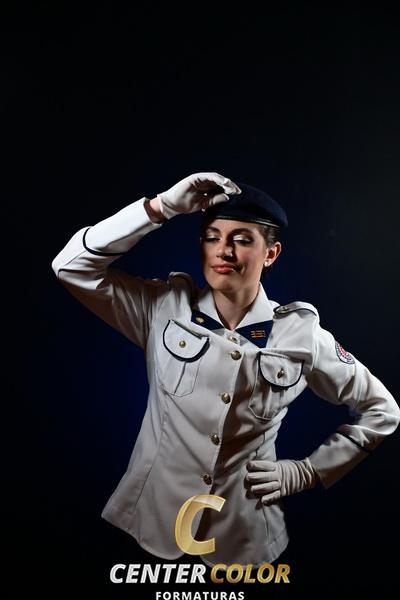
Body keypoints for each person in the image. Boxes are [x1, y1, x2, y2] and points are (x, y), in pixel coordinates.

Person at [52, 172, 400, 567]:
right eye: (212, 237)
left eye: (242, 239)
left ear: (271, 253)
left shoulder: (301, 334)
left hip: (243, 537)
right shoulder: (164, 308)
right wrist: (160, 207)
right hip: (149, 523)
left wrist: (306, 472)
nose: (224, 251)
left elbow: (382, 411)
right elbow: (70, 266)